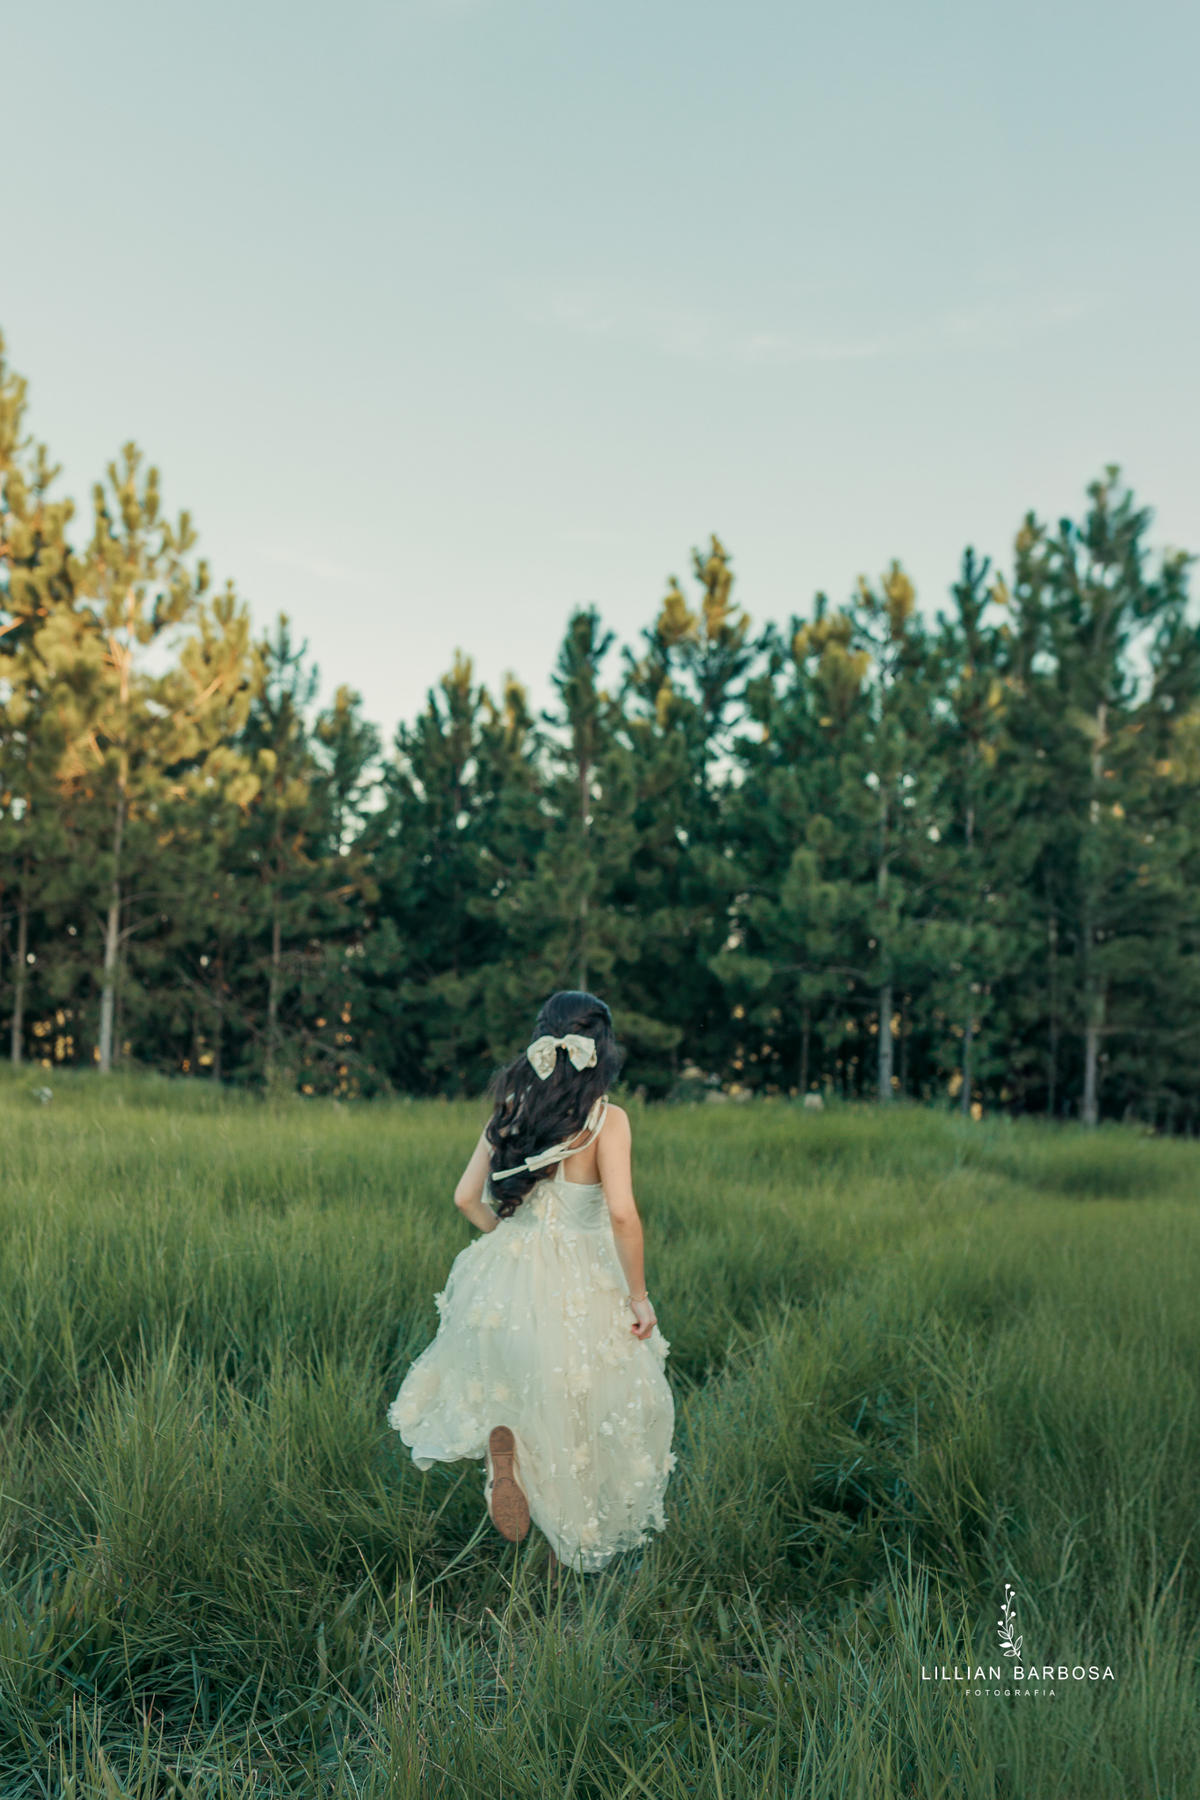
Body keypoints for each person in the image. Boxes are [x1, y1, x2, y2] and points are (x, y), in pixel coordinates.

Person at [388, 991, 675, 1571]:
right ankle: (564, 1543)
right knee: (587, 1401)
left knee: (520, 1388)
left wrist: (508, 1237)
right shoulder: (606, 1120)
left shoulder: (514, 1104)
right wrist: (639, 1298)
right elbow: (622, 1214)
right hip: (580, 1280)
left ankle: (508, 1467)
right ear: (604, 1048)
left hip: (505, 1273)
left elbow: (466, 1197)